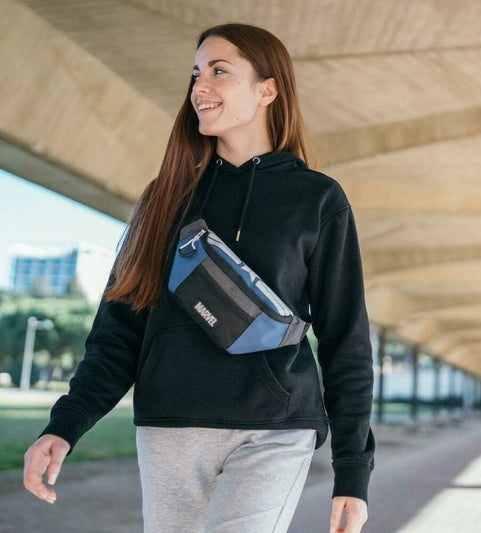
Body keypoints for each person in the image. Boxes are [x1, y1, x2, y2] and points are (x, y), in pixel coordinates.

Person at [23, 23, 375, 533]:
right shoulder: (164, 198)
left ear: (267, 90)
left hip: (274, 431)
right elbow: (119, 330)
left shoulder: (317, 200)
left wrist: (353, 472)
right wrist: (65, 426)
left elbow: (347, 341)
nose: (199, 88)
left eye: (219, 71)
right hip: (172, 425)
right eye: (195, 74)